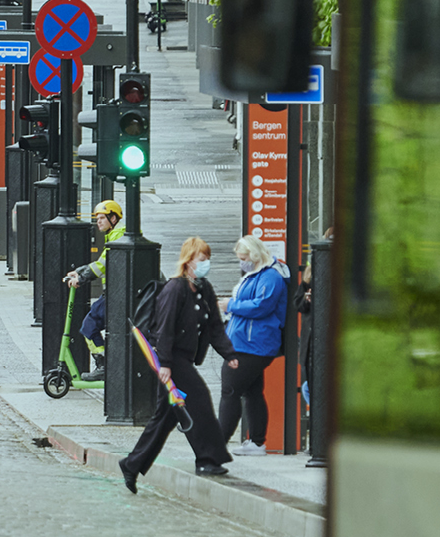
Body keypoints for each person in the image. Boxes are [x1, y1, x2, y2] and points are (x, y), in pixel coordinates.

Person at [117, 236, 231, 492]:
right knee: (199, 399)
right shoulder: (175, 289)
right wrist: (165, 365)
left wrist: (230, 355)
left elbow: (215, 327)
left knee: (166, 417)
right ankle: (208, 459)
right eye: (202, 260)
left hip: (183, 358)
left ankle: (131, 465)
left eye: (207, 260)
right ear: (188, 261)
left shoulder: (203, 288)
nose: (206, 264)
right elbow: (164, 329)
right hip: (173, 359)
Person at [218, 234, 290, 449]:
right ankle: (257, 442)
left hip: (251, 344)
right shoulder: (260, 274)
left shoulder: (271, 277)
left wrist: (230, 305)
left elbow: (261, 307)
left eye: (243, 257)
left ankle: (218, 442)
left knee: (230, 391)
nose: (242, 262)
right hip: (250, 342)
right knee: (252, 392)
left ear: (255, 255)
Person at [60, 199, 124, 381]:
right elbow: (101, 262)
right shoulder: (115, 235)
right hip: (115, 294)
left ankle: (104, 365)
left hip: (114, 295)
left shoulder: (118, 236)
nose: (98, 222)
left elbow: (102, 266)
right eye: (97, 219)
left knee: (89, 325)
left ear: (113, 218)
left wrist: (82, 277)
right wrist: (80, 271)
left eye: (102, 218)